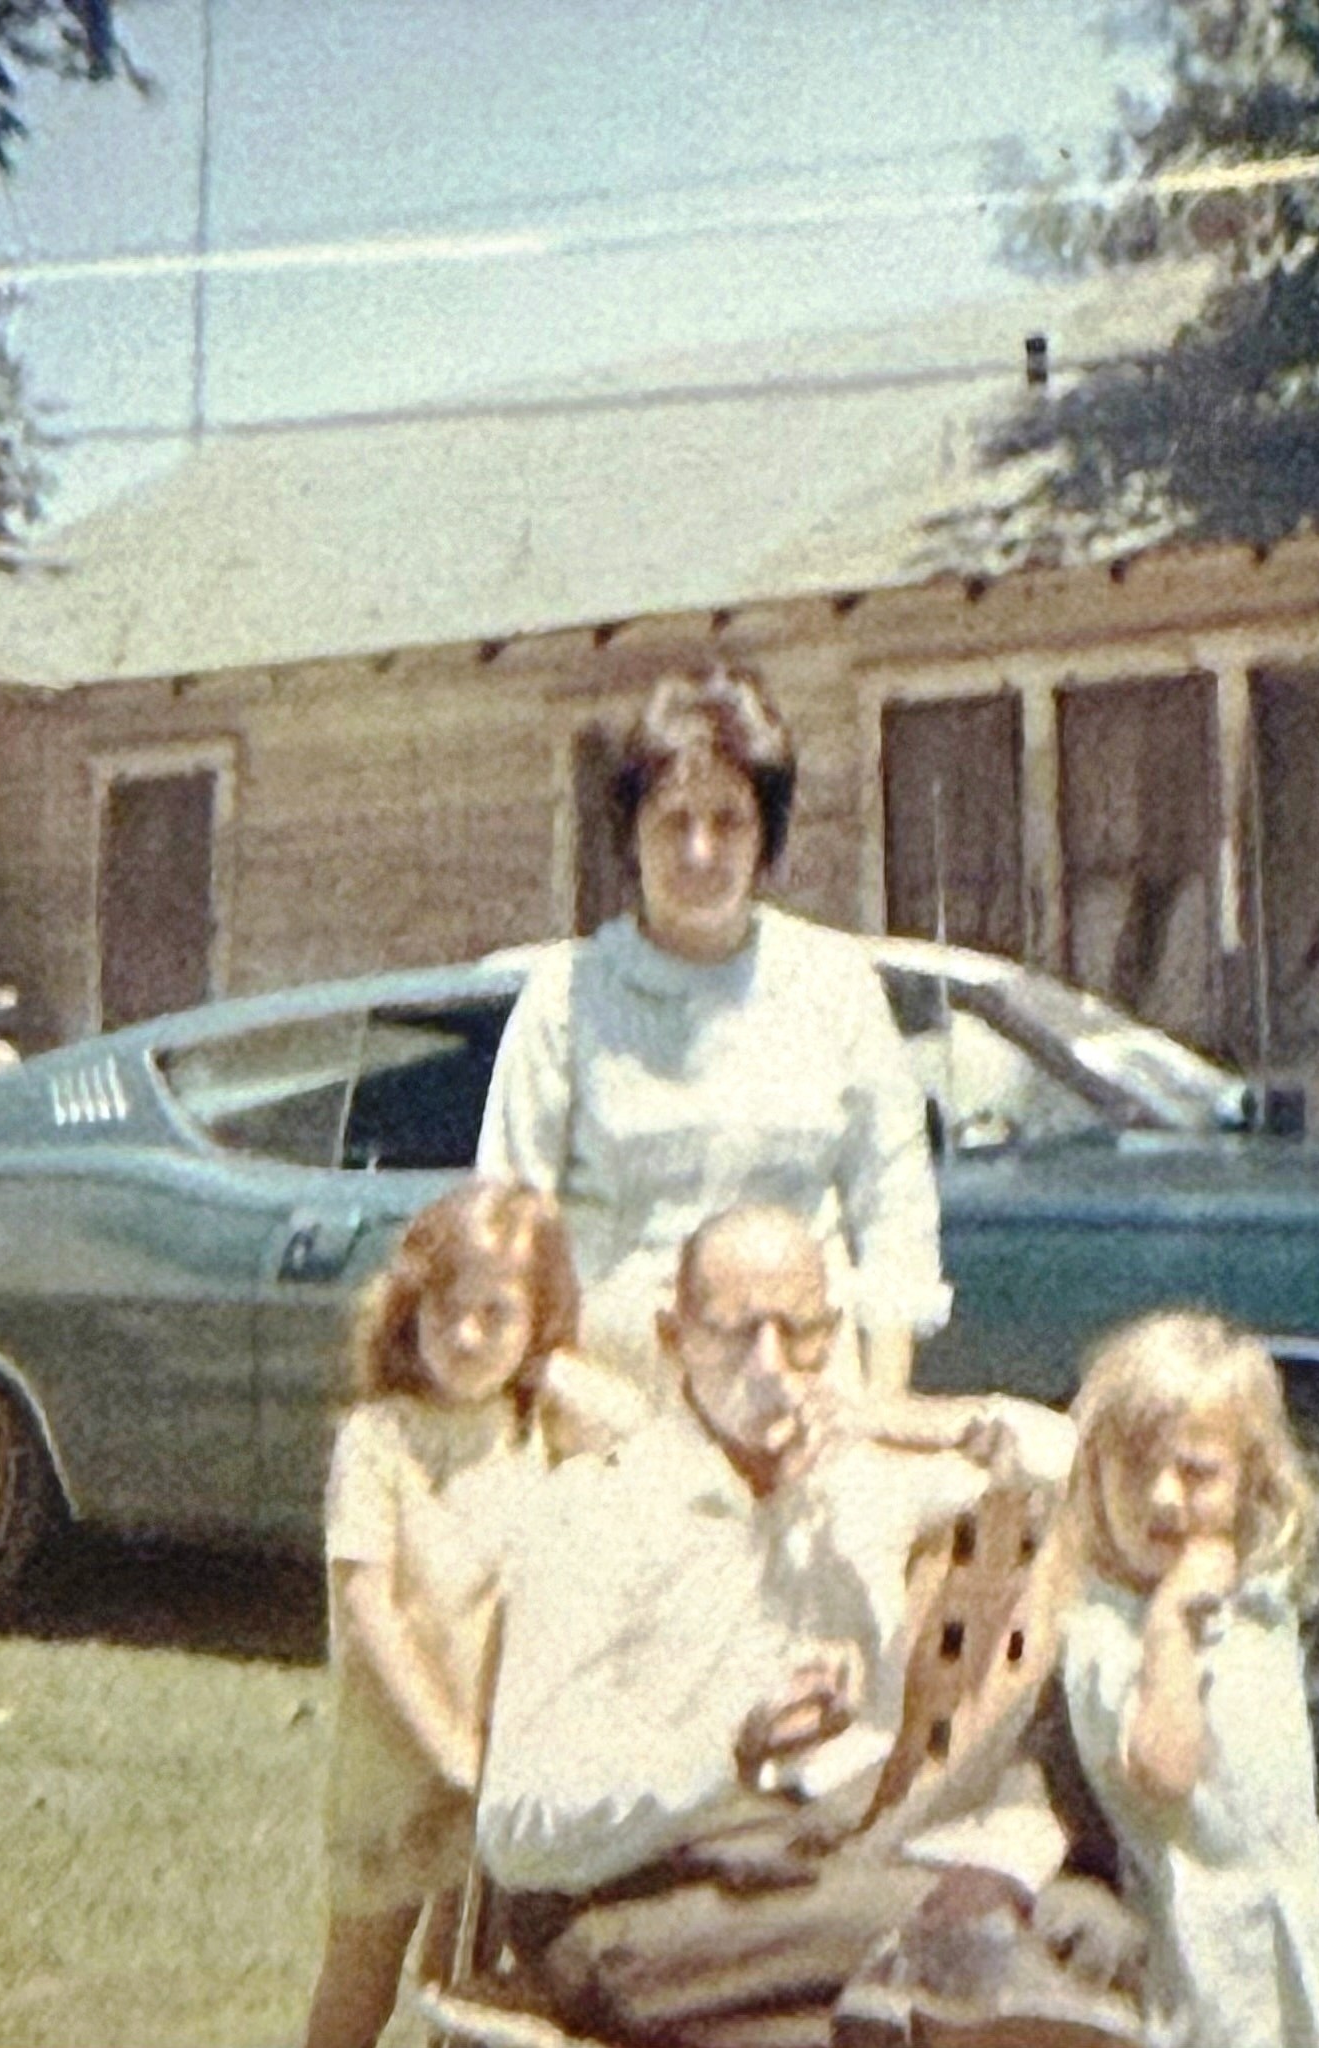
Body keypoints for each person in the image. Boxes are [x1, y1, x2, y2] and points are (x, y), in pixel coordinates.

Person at [471, 1204, 1132, 2048]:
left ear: (834, 1335)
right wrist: (728, 1750)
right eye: (734, 1333)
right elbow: (515, 1830)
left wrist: (894, 1418)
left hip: (820, 1875)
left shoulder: (855, 1485)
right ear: (674, 1339)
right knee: (971, 1940)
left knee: (1094, 1934)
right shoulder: (597, 1513)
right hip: (633, 1901)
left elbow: (1072, 1462)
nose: (771, 1367)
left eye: (800, 1333)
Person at [476, 662, 948, 1399]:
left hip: (805, 1400)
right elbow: (507, 1237)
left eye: (728, 821)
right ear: (631, 836)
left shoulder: (836, 986)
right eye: (674, 821)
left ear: (767, 835)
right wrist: (572, 1397)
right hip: (623, 1401)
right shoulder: (567, 999)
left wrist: (875, 1413)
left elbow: (894, 1214)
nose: (700, 851)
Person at [302, 1180, 645, 2048]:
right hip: (397, 1756)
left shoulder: (532, 1427)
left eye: (497, 1315)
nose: (465, 1336)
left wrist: (548, 1366)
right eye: (447, 1310)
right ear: (409, 1308)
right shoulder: (378, 1440)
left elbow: (642, 1439)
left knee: (460, 1979)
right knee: (363, 1973)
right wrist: (446, 1746)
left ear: (537, 1324)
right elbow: (367, 1608)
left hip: (502, 1761)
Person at [1057, 1313, 1319, 2048]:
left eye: (1196, 1472)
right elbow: (1165, 1771)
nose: (1163, 1496)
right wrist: (1167, 1628)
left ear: (1250, 1478)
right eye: (1136, 1466)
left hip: (1280, 1919)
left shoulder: (1254, 1600)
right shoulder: (1107, 1634)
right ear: (1094, 1474)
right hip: (1195, 1957)